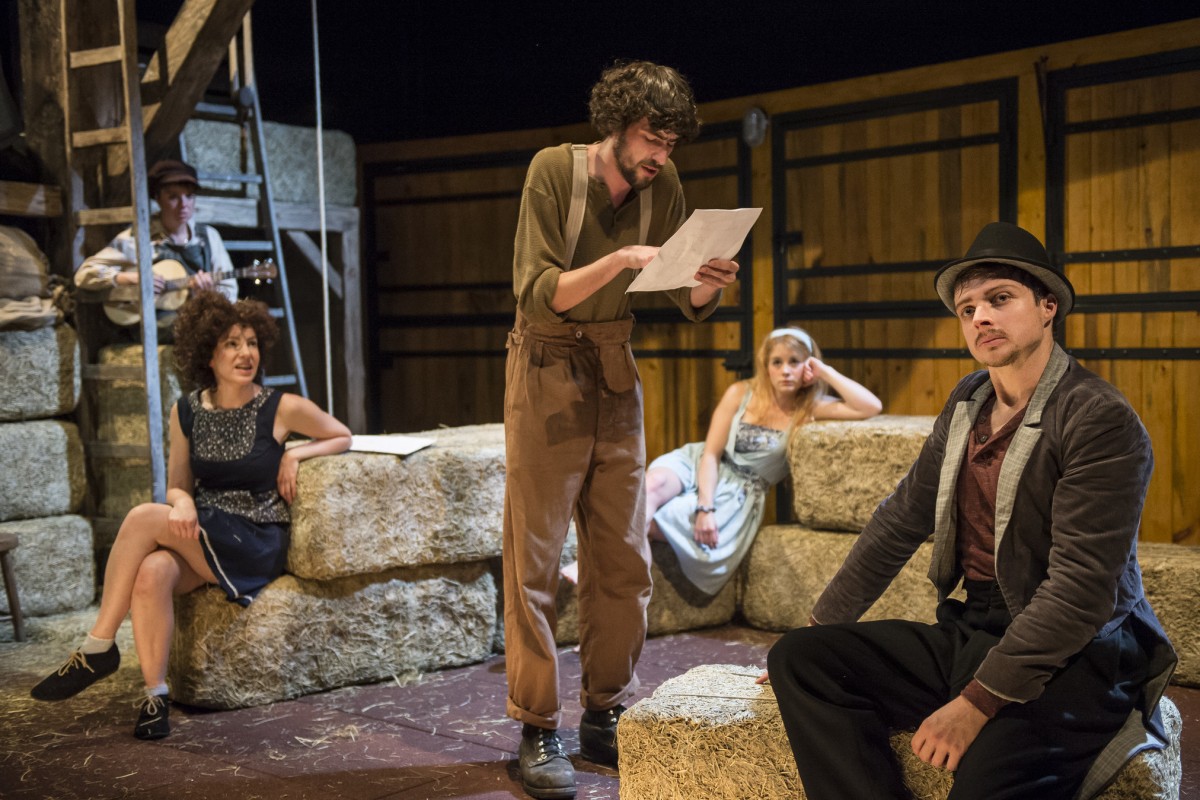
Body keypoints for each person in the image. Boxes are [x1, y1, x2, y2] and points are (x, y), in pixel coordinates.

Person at [765, 222, 1176, 799]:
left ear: (1048, 307)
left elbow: (1081, 592)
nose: (981, 317)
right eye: (967, 309)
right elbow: (900, 519)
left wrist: (976, 704)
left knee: (982, 783)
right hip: (977, 626)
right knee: (801, 659)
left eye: (999, 299)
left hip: (1080, 653)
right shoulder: (969, 400)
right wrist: (822, 623)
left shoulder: (1096, 416)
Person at [503, 60, 739, 799]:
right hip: (546, 366)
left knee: (623, 558)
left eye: (670, 143)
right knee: (535, 560)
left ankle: (605, 712)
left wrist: (706, 282)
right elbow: (539, 293)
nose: (660, 156)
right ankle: (538, 726)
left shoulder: (663, 186)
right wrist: (621, 260)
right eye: (650, 139)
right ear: (615, 125)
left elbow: (679, 292)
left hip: (614, 370)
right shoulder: (554, 172)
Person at [30, 292, 352, 739]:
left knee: (142, 517)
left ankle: (98, 645)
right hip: (204, 530)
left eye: (252, 343)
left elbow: (342, 435)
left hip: (255, 537)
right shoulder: (187, 410)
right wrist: (181, 502)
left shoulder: (280, 407)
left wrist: (294, 455)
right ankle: (155, 696)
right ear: (208, 354)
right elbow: (178, 484)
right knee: (152, 572)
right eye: (232, 344)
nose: (245, 353)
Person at [560, 327, 881, 596]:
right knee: (650, 486)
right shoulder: (741, 392)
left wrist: (824, 371)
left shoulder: (810, 407)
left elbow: (870, 406)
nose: (785, 370)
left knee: (655, 521)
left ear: (807, 366)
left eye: (795, 362)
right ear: (766, 365)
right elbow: (711, 454)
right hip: (701, 462)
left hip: (739, 492)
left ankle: (616, 602)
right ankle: (593, 571)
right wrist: (704, 507)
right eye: (777, 362)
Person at [75, 159, 237, 335]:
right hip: (154, 329)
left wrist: (208, 295)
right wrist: (131, 278)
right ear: (158, 199)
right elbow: (84, 274)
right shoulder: (138, 238)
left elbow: (230, 291)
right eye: (173, 197)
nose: (184, 204)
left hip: (197, 326)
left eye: (189, 196)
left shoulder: (209, 237)